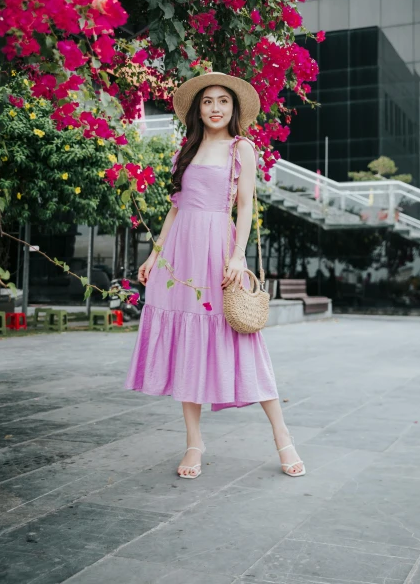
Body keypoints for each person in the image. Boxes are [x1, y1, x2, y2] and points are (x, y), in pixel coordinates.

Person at [124, 72, 305, 479]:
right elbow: (175, 207)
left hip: (219, 250)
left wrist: (238, 257)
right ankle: (193, 443)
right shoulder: (184, 150)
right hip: (180, 256)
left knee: (244, 339)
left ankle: (282, 437)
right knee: (188, 342)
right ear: (198, 109)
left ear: (233, 107)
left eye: (223, 100)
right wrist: (155, 256)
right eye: (208, 102)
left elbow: (245, 207)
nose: (216, 108)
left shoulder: (243, 148)